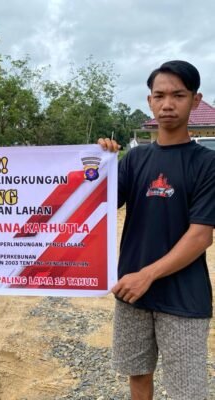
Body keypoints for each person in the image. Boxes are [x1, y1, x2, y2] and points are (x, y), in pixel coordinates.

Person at [99, 60, 215, 400]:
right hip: (131, 293)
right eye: (159, 96)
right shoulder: (134, 161)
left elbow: (201, 235)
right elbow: (101, 205)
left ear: (195, 100)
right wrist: (101, 163)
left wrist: (146, 275)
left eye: (178, 95)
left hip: (183, 297)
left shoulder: (206, 164)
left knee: (186, 391)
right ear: (150, 101)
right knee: (137, 375)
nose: (167, 104)